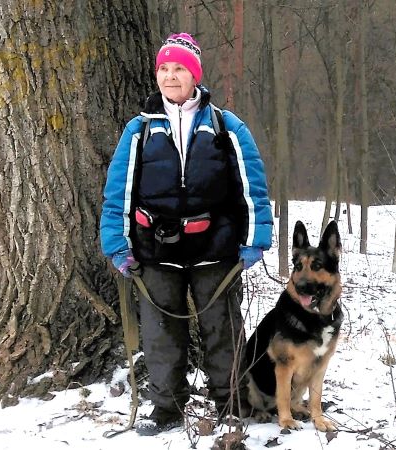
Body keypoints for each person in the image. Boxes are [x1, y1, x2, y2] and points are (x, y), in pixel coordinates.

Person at [100, 32, 273, 433]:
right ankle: (166, 408)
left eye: (179, 68)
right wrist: (116, 243)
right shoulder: (138, 130)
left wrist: (254, 240)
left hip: (216, 246)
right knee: (161, 335)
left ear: (195, 75)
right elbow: (118, 193)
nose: (170, 76)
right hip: (153, 250)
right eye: (164, 68)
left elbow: (253, 188)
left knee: (222, 329)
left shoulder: (226, 126)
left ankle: (230, 403)